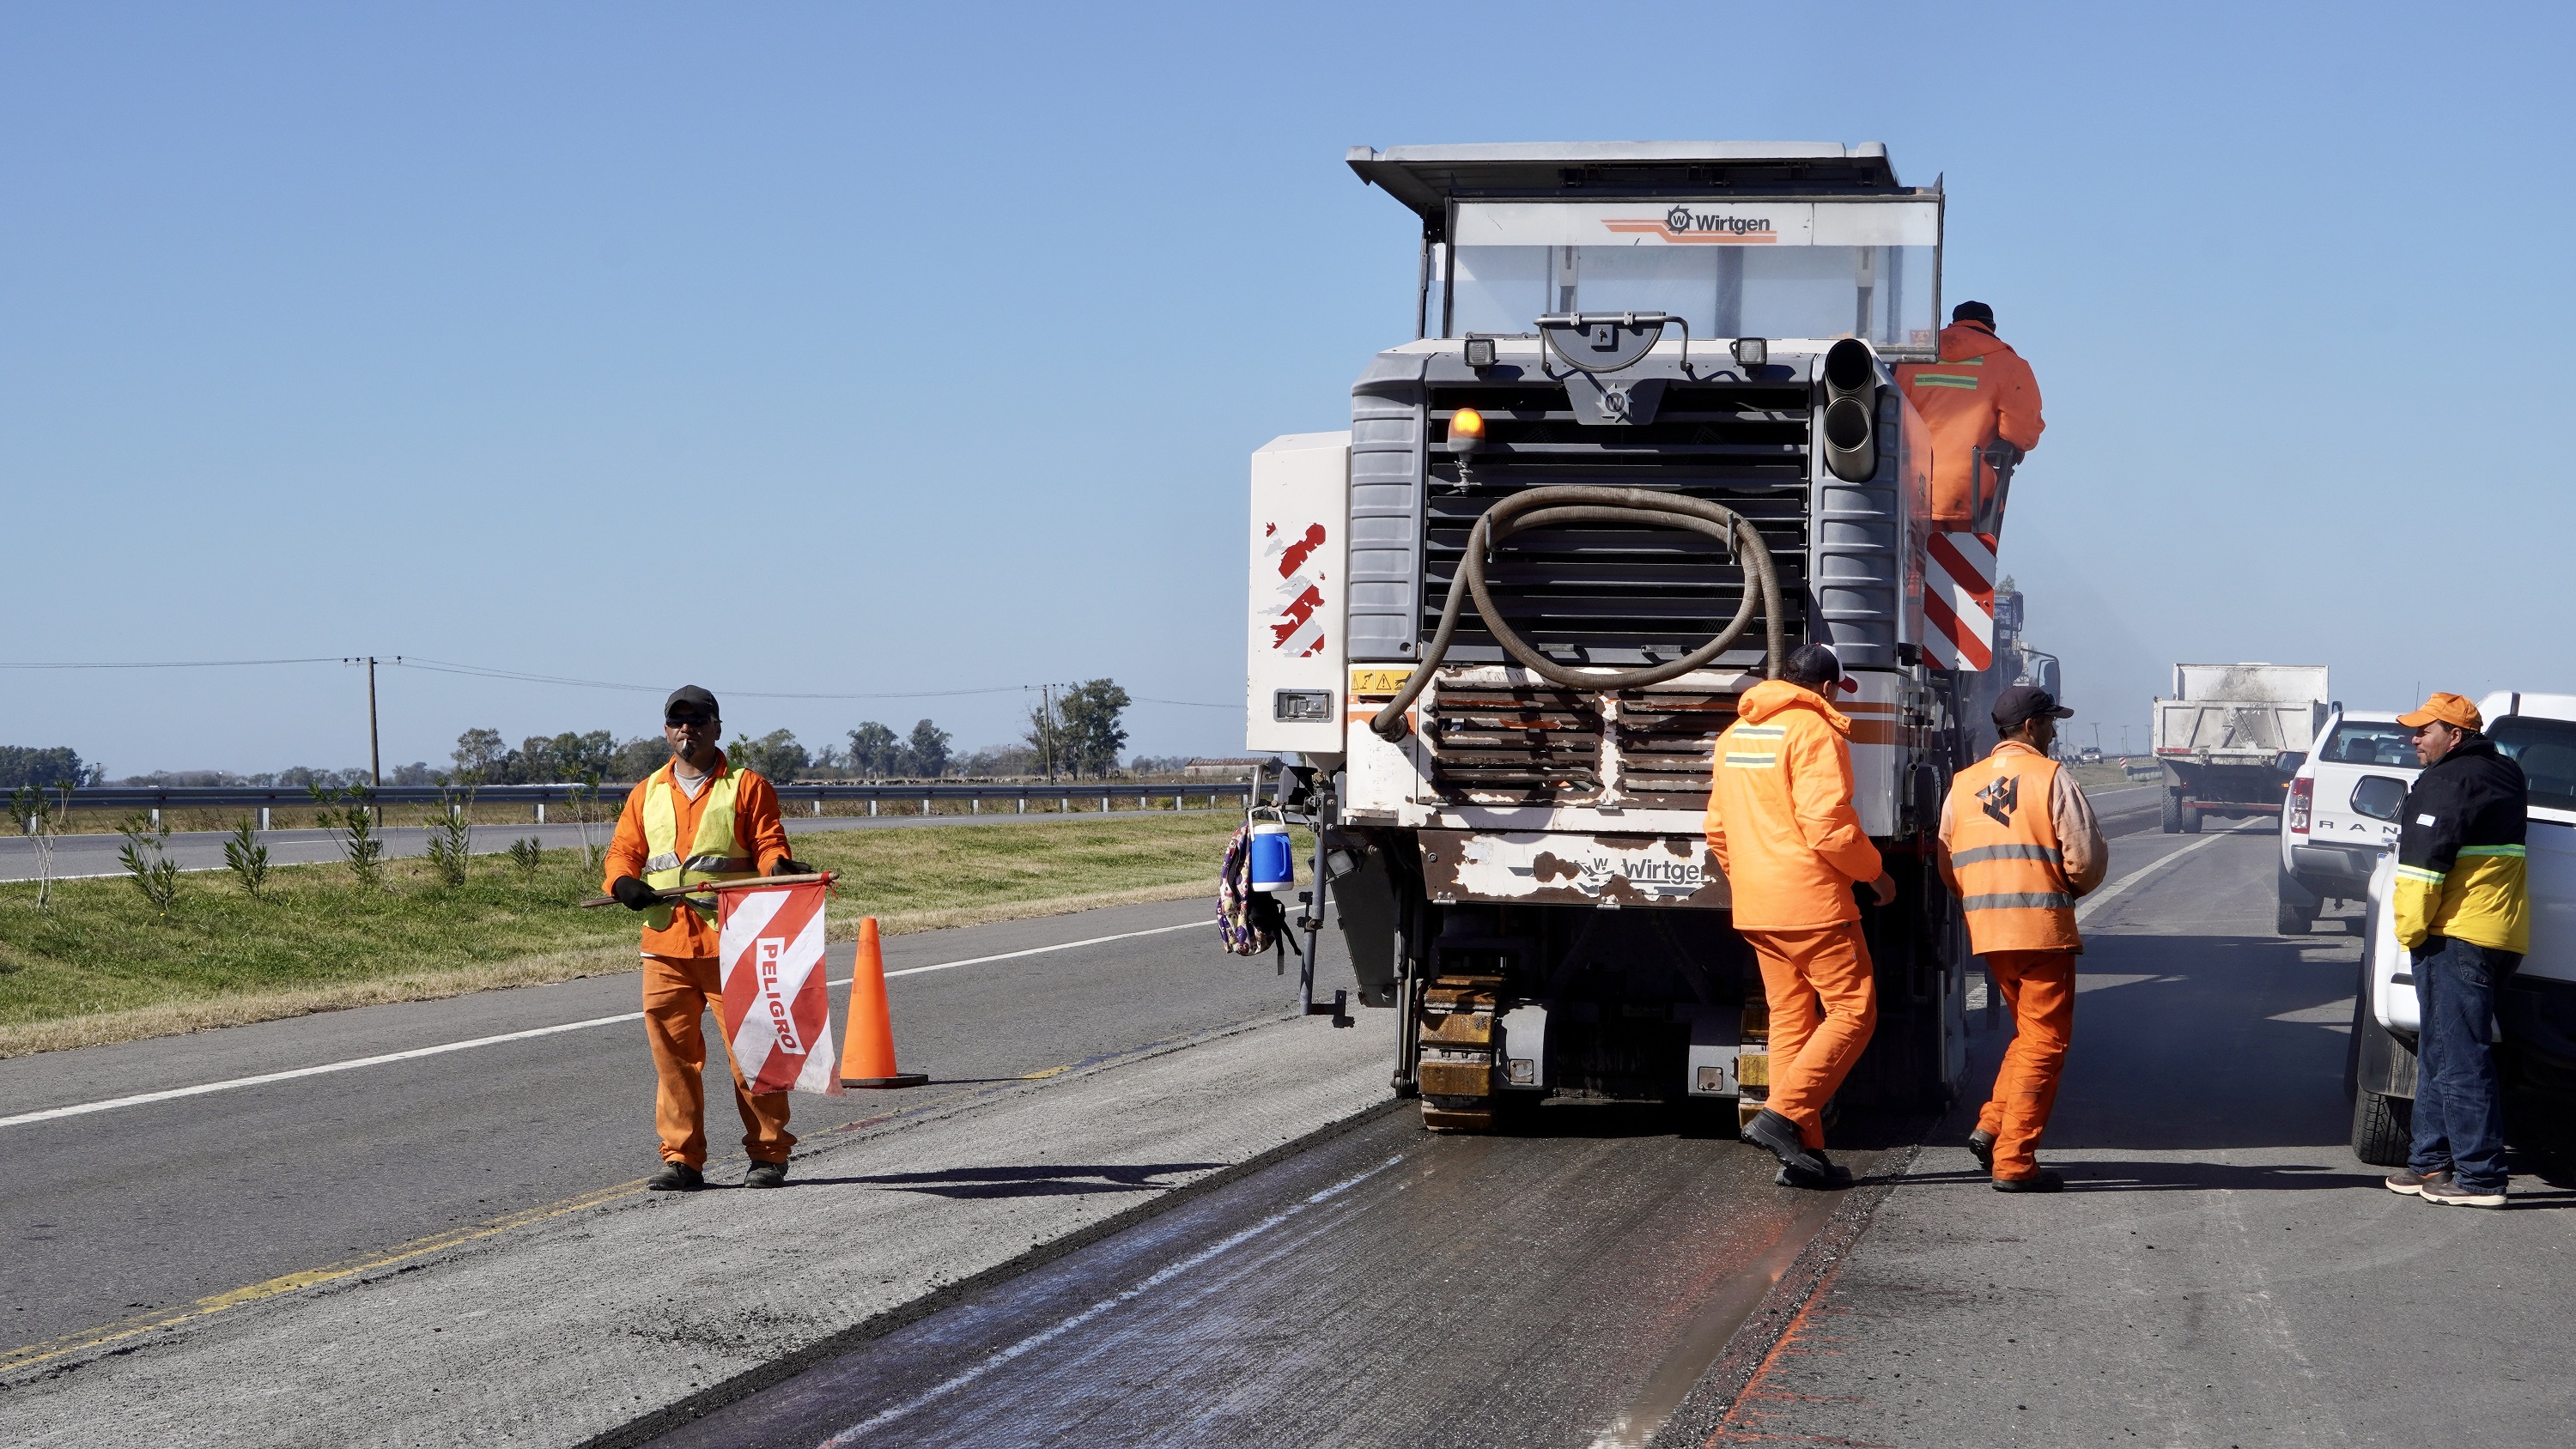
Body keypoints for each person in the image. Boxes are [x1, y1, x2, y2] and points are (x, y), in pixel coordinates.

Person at [603, 686, 813, 1192]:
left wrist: (778, 868)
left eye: (698, 720)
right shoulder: (647, 791)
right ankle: (682, 1160)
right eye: (678, 720)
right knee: (674, 1061)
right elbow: (621, 855)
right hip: (666, 947)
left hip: (732, 946)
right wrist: (621, 883)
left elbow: (768, 842)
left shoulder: (746, 786)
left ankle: (768, 1154)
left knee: (753, 1055)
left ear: (718, 727)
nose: (687, 728)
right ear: (666, 728)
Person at [1706, 643, 1899, 1189]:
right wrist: (1875, 874)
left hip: (1757, 904)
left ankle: (1804, 1156)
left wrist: (1748, 877)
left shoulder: (1737, 736)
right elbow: (1827, 826)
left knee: (1792, 1021)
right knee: (1853, 1012)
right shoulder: (1814, 732)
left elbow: (1717, 831)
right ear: (1828, 687)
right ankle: (1782, 1117)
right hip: (1812, 902)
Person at [1937, 685, 2107, 1192]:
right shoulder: (2051, 777)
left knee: (2028, 1036)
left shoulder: (1963, 783)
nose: (2055, 731)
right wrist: (2063, 887)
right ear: (2031, 728)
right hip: (2041, 929)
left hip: (1990, 934)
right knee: (2046, 1042)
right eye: (2051, 722)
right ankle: (2014, 1160)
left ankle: (1992, 1127)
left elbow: (1948, 862)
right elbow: (2087, 858)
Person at [2383, 692, 2528, 1210]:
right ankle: (2429, 1161)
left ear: (2456, 735)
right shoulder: (2506, 773)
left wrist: (2411, 933)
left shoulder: (2447, 781)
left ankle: (2480, 1176)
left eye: (2425, 730)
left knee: (2460, 1054)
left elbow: (2422, 870)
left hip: (2457, 934)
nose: (2414, 739)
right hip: (2498, 932)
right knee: (2441, 1049)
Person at [1894, 300, 2046, 529]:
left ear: (1953, 324)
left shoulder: (1914, 356)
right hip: (1968, 496)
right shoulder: (2009, 364)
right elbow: (2022, 431)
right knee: (1959, 562)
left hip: (1909, 489)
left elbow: (1890, 411)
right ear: (1991, 328)